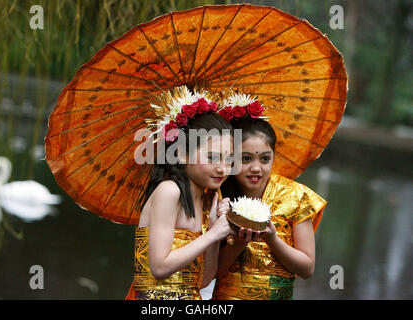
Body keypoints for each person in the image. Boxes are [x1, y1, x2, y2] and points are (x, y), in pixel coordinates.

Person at [125, 94, 235, 300]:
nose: (223, 168)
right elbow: (159, 267)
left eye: (229, 160)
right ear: (183, 153)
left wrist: (213, 229)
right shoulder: (169, 191)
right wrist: (211, 236)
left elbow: (203, 281)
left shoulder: (205, 201)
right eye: (212, 157)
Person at [213, 117, 326, 300]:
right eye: (246, 159)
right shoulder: (219, 197)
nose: (256, 168)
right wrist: (239, 242)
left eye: (264, 159)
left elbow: (307, 269)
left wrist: (273, 239)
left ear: (274, 156)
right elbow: (211, 272)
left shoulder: (295, 196)